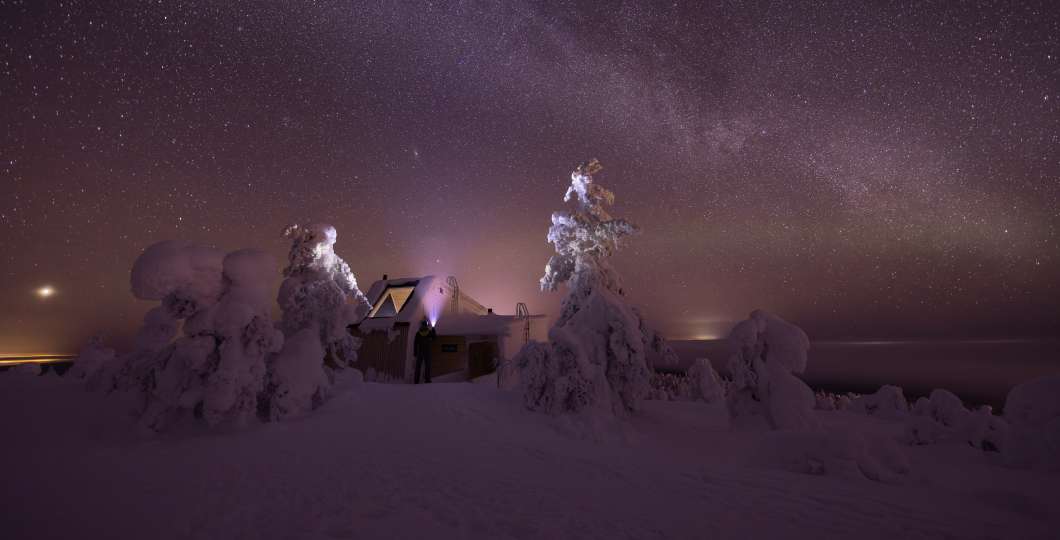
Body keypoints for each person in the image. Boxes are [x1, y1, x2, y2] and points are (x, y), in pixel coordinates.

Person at [413, 318, 437, 384]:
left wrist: (415, 352)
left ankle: (416, 380)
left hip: (420, 351)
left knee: (418, 366)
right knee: (427, 366)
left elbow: (415, 343)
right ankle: (427, 380)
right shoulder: (429, 332)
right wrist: (433, 329)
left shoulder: (418, 333)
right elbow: (434, 338)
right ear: (426, 325)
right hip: (427, 351)